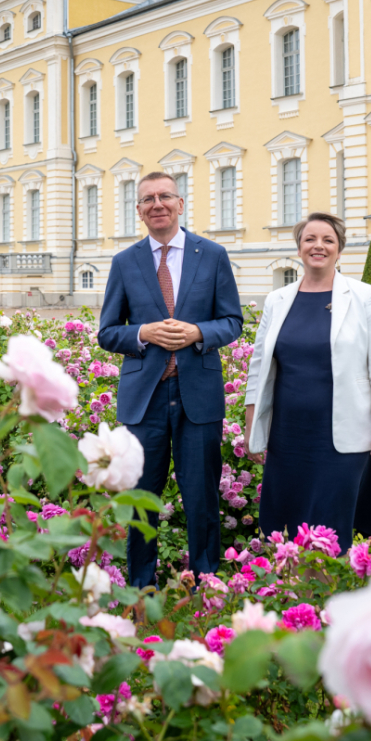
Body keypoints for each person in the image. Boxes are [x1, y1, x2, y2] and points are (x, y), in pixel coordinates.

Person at [98, 171, 243, 589]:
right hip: (145, 400)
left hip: (197, 395)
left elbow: (233, 321)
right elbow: (108, 332)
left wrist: (199, 332)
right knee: (141, 499)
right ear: (139, 211)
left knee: (201, 499)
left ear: (181, 204)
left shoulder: (212, 255)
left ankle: (206, 584)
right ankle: (140, 587)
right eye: (148, 199)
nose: (156, 204)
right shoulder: (124, 262)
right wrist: (142, 333)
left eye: (165, 196)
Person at [244, 212, 371, 555]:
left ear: (339, 250)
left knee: (335, 518)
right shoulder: (278, 299)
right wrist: (252, 424)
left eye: (328, 240)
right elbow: (259, 367)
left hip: (344, 433)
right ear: (299, 248)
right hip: (288, 434)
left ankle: (337, 590)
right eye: (310, 239)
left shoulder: (364, 296)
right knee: (287, 514)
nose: (318, 246)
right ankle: (288, 587)